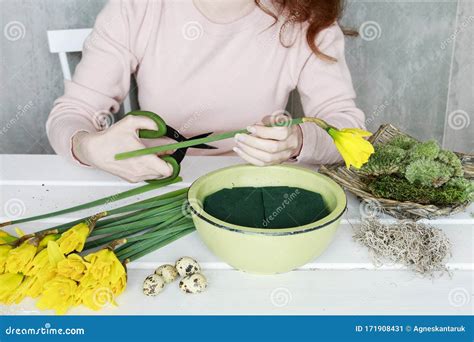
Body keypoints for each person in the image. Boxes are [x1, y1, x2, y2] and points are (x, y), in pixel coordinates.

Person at [46, 0, 365, 183]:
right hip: (151, 184)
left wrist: (299, 141)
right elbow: (73, 114)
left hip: (251, 192)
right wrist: (88, 147)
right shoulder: (136, 8)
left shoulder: (306, 18)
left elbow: (349, 130)